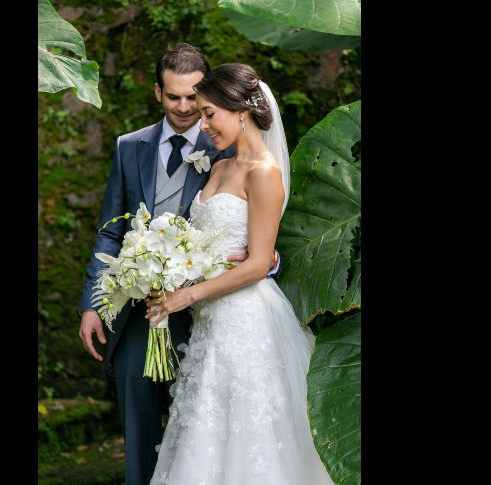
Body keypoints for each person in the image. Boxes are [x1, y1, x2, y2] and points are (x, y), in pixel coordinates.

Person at [77, 44, 281, 485]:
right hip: (141, 309)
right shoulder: (129, 148)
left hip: (209, 311)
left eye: (198, 101)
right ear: (158, 93)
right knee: (142, 417)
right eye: (175, 98)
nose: (189, 111)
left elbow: (255, 235)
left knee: (209, 428)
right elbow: (110, 231)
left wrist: (268, 261)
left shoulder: (230, 150)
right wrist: (94, 303)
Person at [145, 64, 335, 484]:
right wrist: (168, 270)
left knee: (250, 436)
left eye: (210, 113)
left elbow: (257, 263)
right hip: (209, 322)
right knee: (204, 428)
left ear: (241, 111)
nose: (203, 123)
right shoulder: (217, 168)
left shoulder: (264, 172)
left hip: (246, 322)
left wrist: (186, 297)